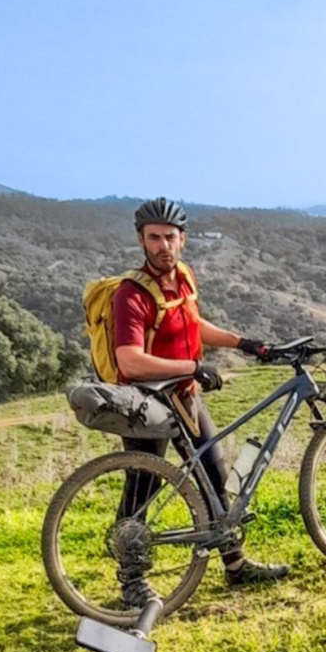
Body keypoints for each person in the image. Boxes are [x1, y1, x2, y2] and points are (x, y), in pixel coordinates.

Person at [112, 197, 288, 605]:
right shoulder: (130, 294)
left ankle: (235, 565)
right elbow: (129, 361)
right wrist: (192, 367)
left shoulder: (184, 277)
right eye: (154, 238)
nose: (163, 246)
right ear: (141, 240)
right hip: (147, 403)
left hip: (186, 397)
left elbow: (193, 324)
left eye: (170, 237)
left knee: (214, 474)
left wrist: (242, 343)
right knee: (144, 486)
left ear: (183, 239)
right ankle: (132, 581)